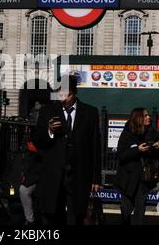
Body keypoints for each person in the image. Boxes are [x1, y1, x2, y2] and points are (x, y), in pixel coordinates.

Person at [32, 74, 102, 225]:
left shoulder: (90, 113)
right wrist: (49, 131)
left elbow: (95, 147)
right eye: (60, 94)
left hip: (78, 174)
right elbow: (37, 140)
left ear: (74, 93)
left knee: (75, 216)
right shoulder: (48, 111)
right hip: (53, 173)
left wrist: (96, 178)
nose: (63, 99)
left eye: (67, 95)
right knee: (51, 216)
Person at [114, 107, 159, 225]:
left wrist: (157, 147)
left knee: (140, 210)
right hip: (129, 178)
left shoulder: (151, 131)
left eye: (148, 115)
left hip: (144, 178)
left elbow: (157, 155)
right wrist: (137, 150)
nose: (148, 117)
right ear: (138, 118)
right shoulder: (127, 132)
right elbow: (121, 155)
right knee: (126, 210)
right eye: (145, 116)